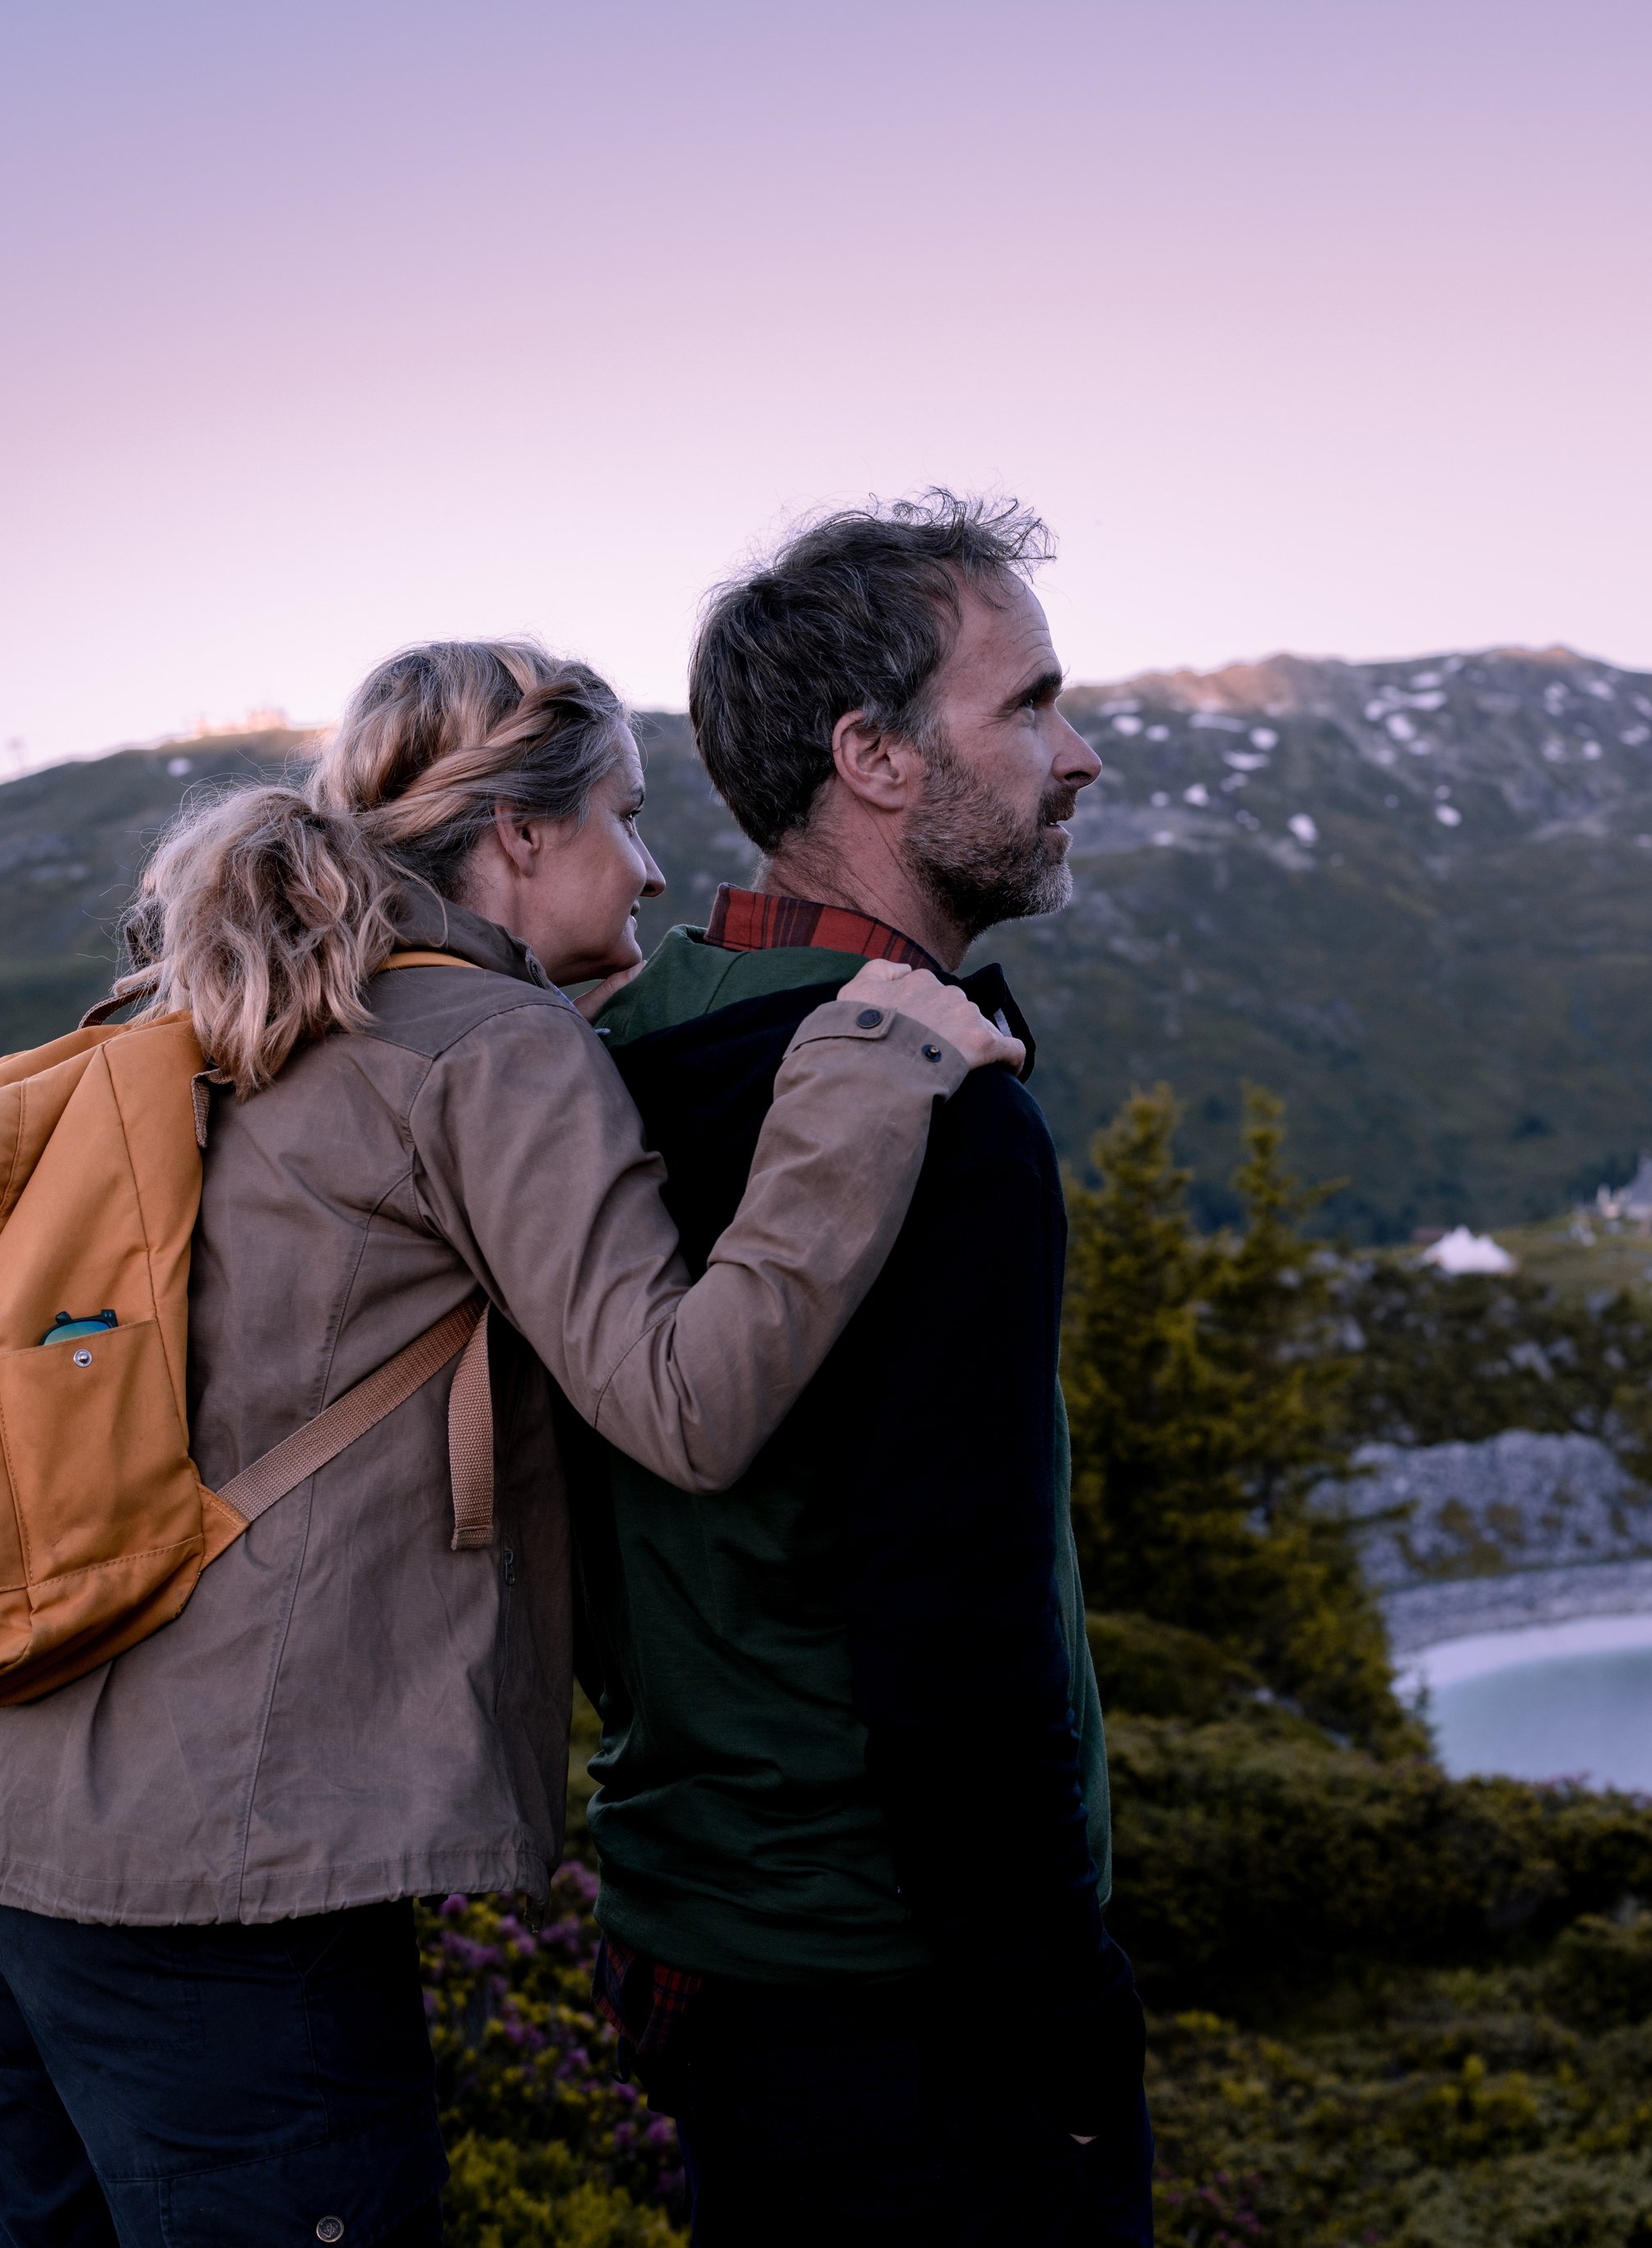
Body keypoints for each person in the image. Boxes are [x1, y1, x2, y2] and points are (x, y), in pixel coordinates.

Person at [0, 640, 1021, 2247]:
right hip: (215, 1868)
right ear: (517, 840)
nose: (646, 860)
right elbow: (685, 1403)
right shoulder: (486, 1045)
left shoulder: (232, 1006)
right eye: (622, 816)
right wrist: (860, 1076)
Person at [576, 494, 1141, 2243]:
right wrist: (1054, 2026)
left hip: (693, 1928)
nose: (1081, 754)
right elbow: (950, 1626)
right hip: (897, 1989)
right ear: (873, 761)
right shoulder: (938, 1119)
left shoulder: (608, 1064)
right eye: (1030, 704)